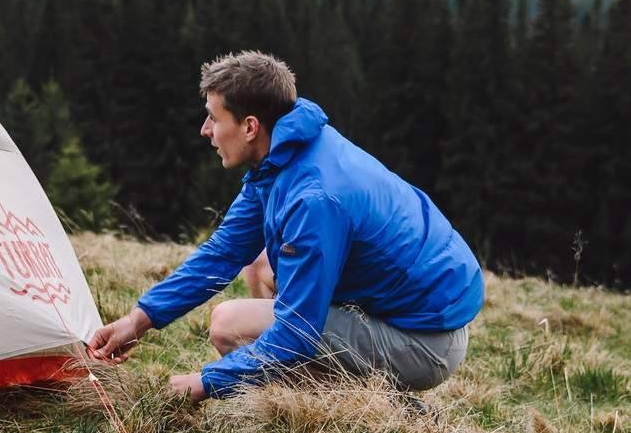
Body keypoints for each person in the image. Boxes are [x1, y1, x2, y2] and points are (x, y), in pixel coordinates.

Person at [87, 51, 484, 402]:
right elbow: (224, 253)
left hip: (427, 341)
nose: (205, 131)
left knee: (230, 326)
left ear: (250, 127)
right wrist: (139, 320)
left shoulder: (312, 198)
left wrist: (205, 382)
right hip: (410, 309)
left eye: (213, 117)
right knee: (259, 267)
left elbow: (297, 330)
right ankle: (339, 391)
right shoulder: (283, 154)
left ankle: (382, 409)